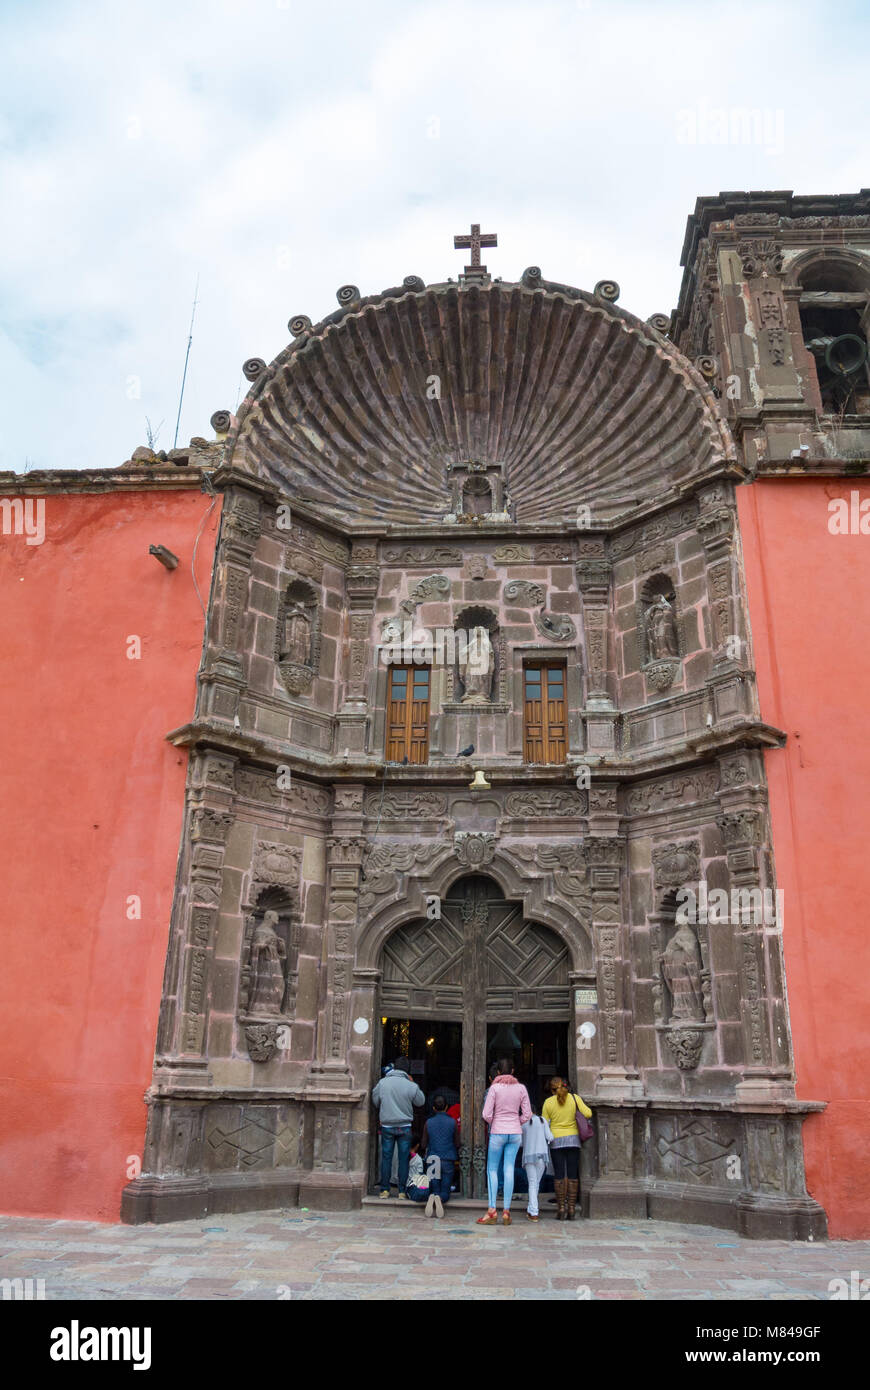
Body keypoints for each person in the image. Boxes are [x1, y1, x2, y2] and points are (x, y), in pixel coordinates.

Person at [477, 1058, 531, 1225]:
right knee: (509, 1169)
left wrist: (496, 1122)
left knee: (492, 1169)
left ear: (498, 1072)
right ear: (513, 1071)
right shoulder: (521, 1088)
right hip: (515, 1133)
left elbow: (486, 1114)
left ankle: (492, 1210)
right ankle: (507, 1211)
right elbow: (527, 1114)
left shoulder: (494, 1088)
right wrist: (516, 1121)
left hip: (498, 1132)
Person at [372, 1057, 425, 1199]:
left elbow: (375, 1101)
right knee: (403, 1159)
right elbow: (421, 1101)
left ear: (394, 1067)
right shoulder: (410, 1085)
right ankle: (402, 1191)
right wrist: (414, 1083)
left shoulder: (383, 1083)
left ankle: (384, 1190)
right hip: (404, 1126)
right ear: (407, 1071)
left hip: (387, 1126)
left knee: (386, 1158)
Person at [542, 1077, 593, 1221]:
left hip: (556, 1140)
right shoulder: (574, 1098)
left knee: (559, 1174)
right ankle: (571, 1208)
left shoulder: (548, 1102)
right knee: (572, 1174)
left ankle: (561, 1208)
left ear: (552, 1090)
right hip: (573, 1139)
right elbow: (588, 1113)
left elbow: (544, 1122)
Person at [420, 1095, 459, 1218]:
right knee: (446, 1189)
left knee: (435, 1186)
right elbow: (457, 1143)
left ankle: (433, 1196)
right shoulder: (452, 1122)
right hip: (448, 1159)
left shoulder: (429, 1122)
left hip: (433, 1159)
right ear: (447, 1107)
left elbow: (423, 1144)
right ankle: (441, 1198)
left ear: (433, 1108)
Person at [521, 1109, 554, 1222]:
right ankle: (532, 1210)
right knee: (536, 1184)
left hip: (529, 1157)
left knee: (532, 1183)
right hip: (541, 1157)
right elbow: (550, 1137)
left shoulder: (523, 1124)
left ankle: (533, 1211)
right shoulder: (542, 1120)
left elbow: (520, 1143)